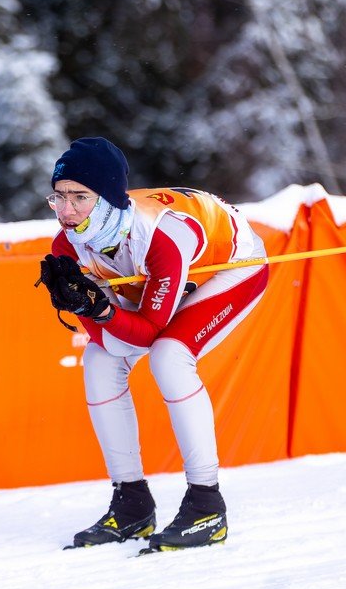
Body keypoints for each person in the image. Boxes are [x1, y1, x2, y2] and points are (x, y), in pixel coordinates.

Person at [36, 136, 269, 551]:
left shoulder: (162, 235)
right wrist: (88, 309)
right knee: (100, 360)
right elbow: (111, 339)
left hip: (231, 267)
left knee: (169, 356)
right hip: (154, 274)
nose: (66, 211)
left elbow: (148, 332)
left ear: (107, 198)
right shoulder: (66, 245)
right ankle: (132, 504)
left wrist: (100, 310)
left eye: (80, 197)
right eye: (59, 196)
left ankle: (207, 505)